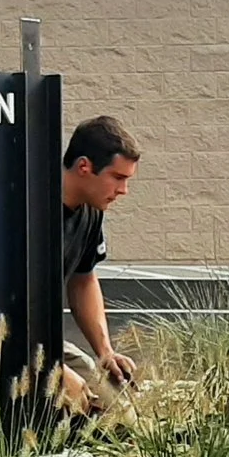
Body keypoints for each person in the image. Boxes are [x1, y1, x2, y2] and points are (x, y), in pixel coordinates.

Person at [61, 114, 140, 395]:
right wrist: (54, 372)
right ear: (84, 166)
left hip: (46, 341)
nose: (123, 190)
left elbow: (83, 280)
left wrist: (105, 352)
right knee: (76, 399)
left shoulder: (91, 213)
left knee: (119, 407)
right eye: (117, 177)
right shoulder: (29, 207)